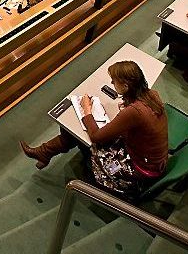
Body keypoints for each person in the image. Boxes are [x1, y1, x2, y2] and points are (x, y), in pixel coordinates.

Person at [20, 61, 168, 198]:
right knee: (77, 131)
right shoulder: (151, 94)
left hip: (139, 168)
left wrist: (87, 110)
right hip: (152, 159)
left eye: (114, 81)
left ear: (125, 86)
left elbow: (97, 136)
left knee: (83, 135)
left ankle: (46, 153)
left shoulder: (134, 111)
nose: (111, 83)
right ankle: (44, 153)